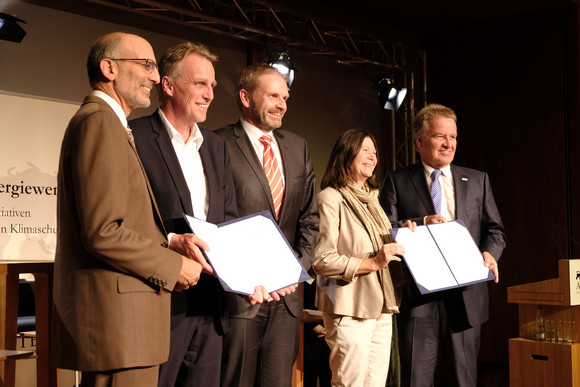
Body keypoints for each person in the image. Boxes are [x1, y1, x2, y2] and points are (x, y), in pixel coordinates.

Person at [51, 32, 203, 387]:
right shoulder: (99, 121)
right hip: (119, 328)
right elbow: (102, 231)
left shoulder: (108, 123)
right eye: (146, 64)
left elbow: (117, 219)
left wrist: (168, 240)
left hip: (127, 328)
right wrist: (172, 265)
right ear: (109, 68)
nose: (154, 76)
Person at [129, 42, 237, 387]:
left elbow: (228, 219)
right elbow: (126, 218)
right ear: (169, 85)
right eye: (200, 84)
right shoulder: (136, 136)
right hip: (160, 301)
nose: (209, 95)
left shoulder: (217, 147)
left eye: (212, 86)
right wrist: (173, 241)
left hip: (211, 304)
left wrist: (248, 273)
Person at [380, 103, 506, 387]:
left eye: (454, 137)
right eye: (440, 136)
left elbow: (495, 230)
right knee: (416, 380)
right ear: (419, 139)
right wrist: (415, 223)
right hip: (419, 300)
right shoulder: (397, 180)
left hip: (466, 298)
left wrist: (489, 253)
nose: (449, 144)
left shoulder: (477, 180)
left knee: (464, 381)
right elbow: (384, 230)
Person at [215, 64, 319, 387]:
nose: (282, 104)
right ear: (245, 97)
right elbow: (214, 220)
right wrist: (243, 277)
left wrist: (294, 271)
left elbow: (310, 219)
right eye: (273, 95)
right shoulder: (216, 144)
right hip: (241, 298)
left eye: (285, 97)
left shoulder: (297, 146)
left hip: (286, 299)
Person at [313, 129, 415, 387]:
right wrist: (372, 263)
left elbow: (379, 243)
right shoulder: (330, 198)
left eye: (375, 152)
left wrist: (402, 234)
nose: (372, 157)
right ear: (346, 154)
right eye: (365, 150)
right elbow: (321, 260)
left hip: (380, 308)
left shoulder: (372, 200)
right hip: (349, 310)